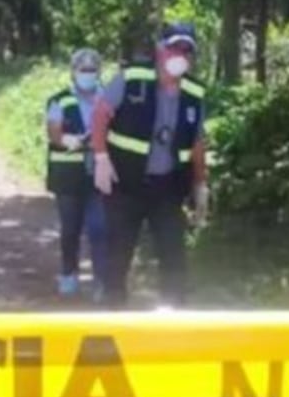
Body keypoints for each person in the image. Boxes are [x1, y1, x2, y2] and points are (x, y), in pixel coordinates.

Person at [90, 21, 210, 309]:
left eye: (186, 50)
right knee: (118, 254)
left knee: (173, 256)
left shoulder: (194, 94)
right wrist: (101, 157)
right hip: (126, 186)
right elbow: (100, 116)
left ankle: (171, 318)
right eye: (174, 48)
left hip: (167, 189)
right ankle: (114, 313)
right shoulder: (132, 78)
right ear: (160, 50)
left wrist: (201, 183)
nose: (180, 55)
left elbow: (197, 144)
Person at [45, 48, 108, 302]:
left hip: (98, 174)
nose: (88, 74)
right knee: (70, 229)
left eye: (92, 70)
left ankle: (101, 281)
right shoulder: (59, 100)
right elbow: (53, 132)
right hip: (68, 177)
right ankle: (69, 274)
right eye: (83, 70)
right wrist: (67, 140)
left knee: (99, 229)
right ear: (73, 72)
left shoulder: (108, 98)